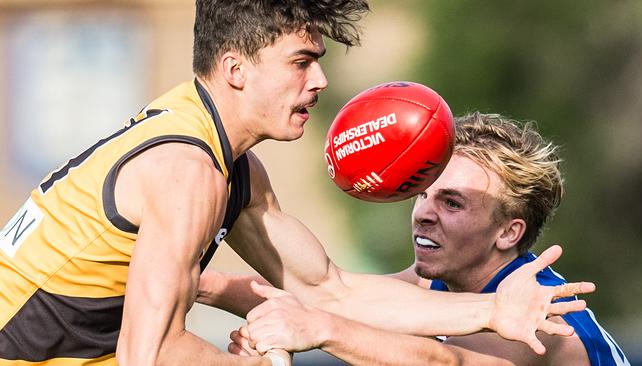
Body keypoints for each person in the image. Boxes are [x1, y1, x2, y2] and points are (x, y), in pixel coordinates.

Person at [0, 0, 592, 364]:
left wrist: (490, 313)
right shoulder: (187, 173)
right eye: (301, 61)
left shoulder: (231, 168)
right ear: (235, 69)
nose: (320, 81)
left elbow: (330, 291)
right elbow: (148, 357)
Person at [227, 113, 628, 365]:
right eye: (423, 194)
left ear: (509, 232)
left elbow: (447, 362)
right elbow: (331, 293)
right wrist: (195, 285)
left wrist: (319, 329)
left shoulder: (541, 317)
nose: (424, 213)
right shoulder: (434, 281)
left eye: (452, 203)